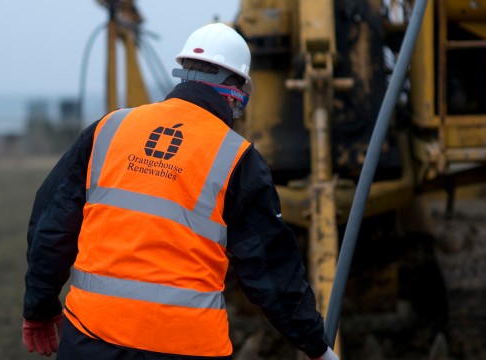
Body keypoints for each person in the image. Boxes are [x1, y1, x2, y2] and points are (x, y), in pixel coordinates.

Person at [22, 22, 338, 360]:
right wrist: (315, 345)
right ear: (237, 89)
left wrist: (38, 307)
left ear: (184, 72)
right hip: (186, 348)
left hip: (90, 339)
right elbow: (272, 271)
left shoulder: (108, 129)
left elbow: (50, 226)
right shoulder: (237, 158)